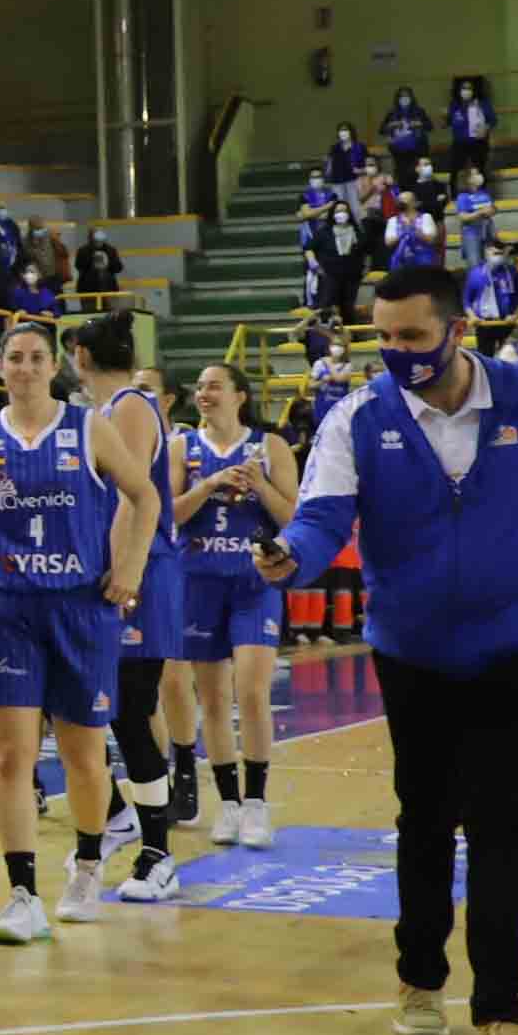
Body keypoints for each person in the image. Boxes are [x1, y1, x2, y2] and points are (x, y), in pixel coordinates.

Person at [260, 265, 518, 1035]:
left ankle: (501, 1013)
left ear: (458, 330)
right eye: (384, 338)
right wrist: (293, 557)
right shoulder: (356, 418)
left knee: (503, 825)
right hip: (413, 652)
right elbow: (324, 517)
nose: (397, 352)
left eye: (414, 337)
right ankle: (418, 980)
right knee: (424, 818)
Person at [0, 315, 162, 941]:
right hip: (5, 608)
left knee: (83, 755)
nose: (26, 368)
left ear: (52, 366)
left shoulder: (89, 428)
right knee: (11, 755)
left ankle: (88, 864)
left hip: (80, 607)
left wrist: (131, 570)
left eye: (37, 357)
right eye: (15, 358)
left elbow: (146, 498)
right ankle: (22, 893)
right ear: (0, 367)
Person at [66, 308, 188, 895]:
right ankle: (118, 816)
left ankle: (159, 854)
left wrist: (122, 572)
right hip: (114, 573)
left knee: (133, 711)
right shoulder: (99, 414)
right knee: (104, 708)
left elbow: (135, 501)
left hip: (142, 573)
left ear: (80, 358)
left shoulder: (132, 406)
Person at [167, 358, 296, 849]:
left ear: (240, 395)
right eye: (200, 386)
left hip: (253, 582)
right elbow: (168, 515)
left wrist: (259, 485)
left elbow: (294, 516)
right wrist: (207, 485)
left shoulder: (270, 447)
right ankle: (228, 804)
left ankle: (258, 802)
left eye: (215, 386)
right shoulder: (184, 447)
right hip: (197, 583)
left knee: (253, 690)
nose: (205, 393)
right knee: (214, 701)